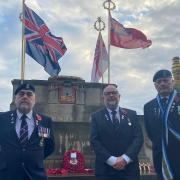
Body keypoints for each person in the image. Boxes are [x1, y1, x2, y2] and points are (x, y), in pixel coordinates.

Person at [0, 83, 55, 180]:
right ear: (15, 98)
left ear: (34, 99)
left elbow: (50, 146)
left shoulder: (45, 121)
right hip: (8, 174)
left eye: (29, 94)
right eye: (21, 94)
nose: (25, 97)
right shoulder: (3, 119)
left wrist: (35, 158)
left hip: (35, 175)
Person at [90, 85, 143, 180]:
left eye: (114, 93)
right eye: (107, 94)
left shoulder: (131, 114)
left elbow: (138, 138)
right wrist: (112, 160)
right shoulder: (96, 117)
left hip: (129, 169)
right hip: (105, 170)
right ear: (103, 98)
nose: (111, 95)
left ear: (119, 96)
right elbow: (95, 141)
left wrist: (125, 159)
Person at [144, 69, 180, 180]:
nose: (162, 84)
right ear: (155, 86)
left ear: (172, 82)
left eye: (166, 80)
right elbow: (150, 132)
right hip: (161, 158)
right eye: (159, 82)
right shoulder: (148, 107)